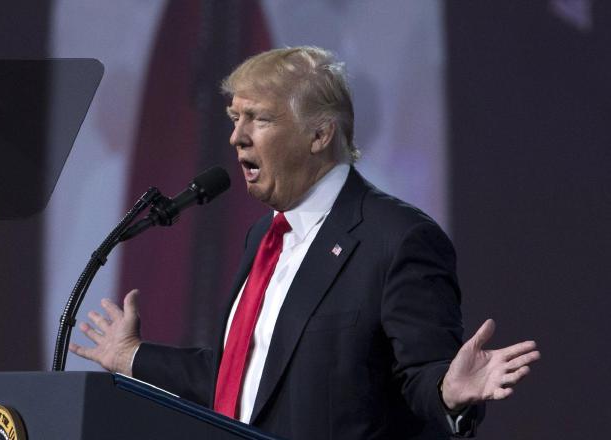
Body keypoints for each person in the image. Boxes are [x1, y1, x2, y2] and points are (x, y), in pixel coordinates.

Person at [69, 46, 540, 439]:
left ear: (320, 133)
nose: (236, 137)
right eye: (235, 118)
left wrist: (448, 393)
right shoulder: (264, 237)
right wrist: (130, 356)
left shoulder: (397, 238)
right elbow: (243, 377)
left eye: (259, 119)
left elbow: (424, 376)